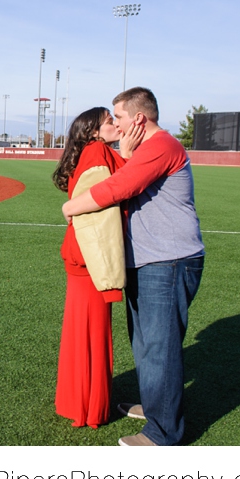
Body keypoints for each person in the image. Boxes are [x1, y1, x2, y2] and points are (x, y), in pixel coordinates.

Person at [62, 87, 205, 446]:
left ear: (139, 118)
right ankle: (155, 408)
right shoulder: (145, 149)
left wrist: (71, 207)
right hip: (149, 261)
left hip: (168, 261)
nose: (119, 125)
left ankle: (162, 434)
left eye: (120, 118)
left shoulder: (162, 147)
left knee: (160, 346)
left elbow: (118, 187)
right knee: (145, 344)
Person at [51, 107, 142, 429]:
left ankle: (76, 402)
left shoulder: (88, 151)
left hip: (79, 254)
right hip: (91, 257)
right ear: (93, 131)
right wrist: (128, 152)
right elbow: (127, 185)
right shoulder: (99, 151)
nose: (116, 125)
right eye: (109, 121)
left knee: (81, 331)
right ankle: (89, 407)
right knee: (92, 332)